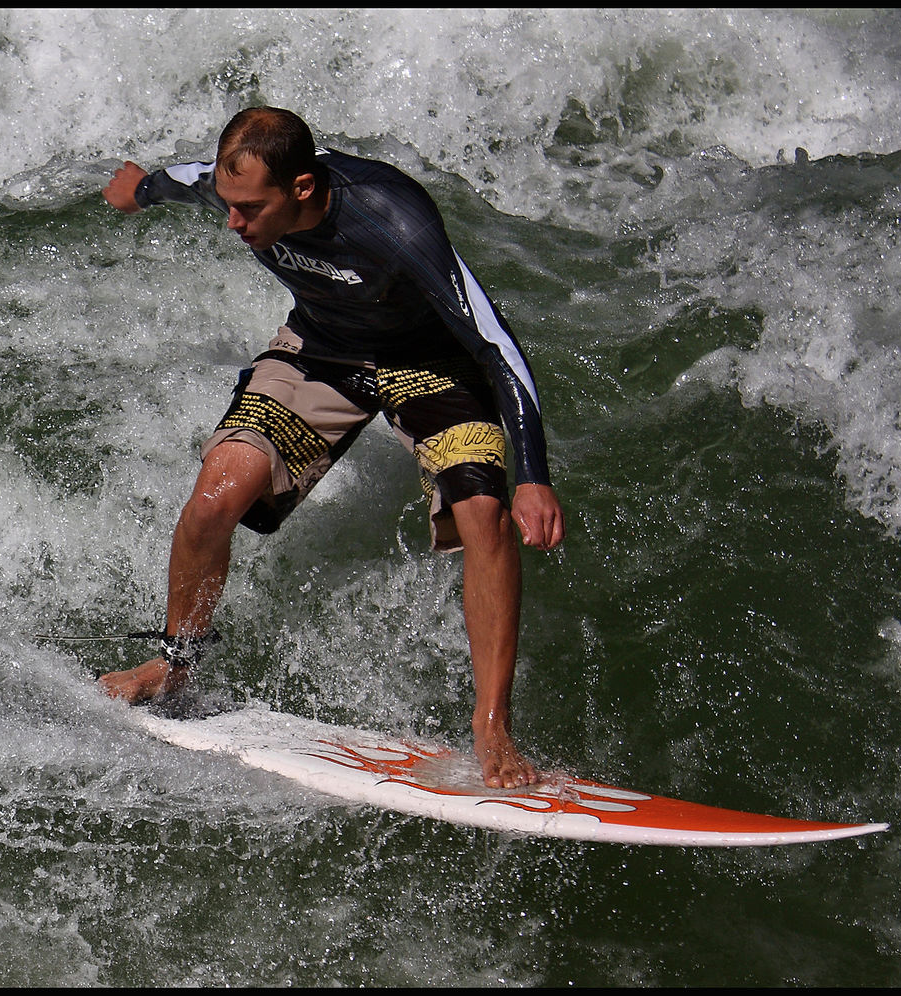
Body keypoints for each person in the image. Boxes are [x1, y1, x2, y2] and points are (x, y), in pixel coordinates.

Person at [95, 107, 565, 788]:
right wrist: (140, 189)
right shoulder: (239, 192)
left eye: (251, 209)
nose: (235, 224)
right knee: (213, 498)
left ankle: (492, 725)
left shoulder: (392, 220)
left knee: (482, 514)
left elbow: (494, 341)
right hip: (321, 351)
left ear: (304, 188)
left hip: (431, 362)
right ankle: (174, 667)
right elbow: (191, 178)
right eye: (229, 205)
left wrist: (535, 476)